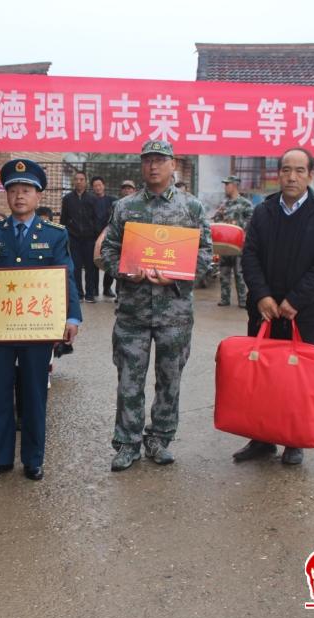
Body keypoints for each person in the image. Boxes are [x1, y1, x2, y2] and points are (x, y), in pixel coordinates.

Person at [0, 159, 82, 482]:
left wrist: (72, 316)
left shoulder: (54, 235)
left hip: (37, 328)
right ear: (6, 195)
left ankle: (33, 459)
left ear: (38, 196)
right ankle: (0, 458)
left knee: (35, 394)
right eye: (13, 190)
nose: (19, 196)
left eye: (26, 190)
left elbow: (66, 278)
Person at [100, 140, 212, 472]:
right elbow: (108, 249)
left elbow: (205, 253)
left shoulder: (191, 208)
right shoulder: (125, 207)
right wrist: (126, 271)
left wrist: (176, 276)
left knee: (170, 379)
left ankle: (160, 438)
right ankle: (127, 443)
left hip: (174, 312)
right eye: (147, 160)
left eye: (160, 160)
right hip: (133, 312)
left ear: (172, 164)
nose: (153, 166)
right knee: (129, 380)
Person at [233, 147, 314, 466]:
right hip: (264, 311)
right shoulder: (263, 211)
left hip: (302, 314)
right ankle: (261, 438)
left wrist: (296, 300)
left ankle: (294, 440)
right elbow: (250, 256)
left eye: (299, 170)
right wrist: (262, 295)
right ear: (278, 174)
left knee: (297, 379)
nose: (291, 177)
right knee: (263, 377)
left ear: (310, 175)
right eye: (285, 170)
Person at [213, 176, 254, 308]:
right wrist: (219, 216)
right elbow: (217, 219)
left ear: (235, 185)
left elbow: (252, 221)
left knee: (239, 272)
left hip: (238, 244)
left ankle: (242, 300)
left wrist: (239, 226)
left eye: (227, 184)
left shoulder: (245, 204)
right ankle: (225, 299)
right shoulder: (224, 203)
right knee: (224, 271)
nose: (225, 187)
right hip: (225, 244)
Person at [60, 171, 99, 302]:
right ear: (73, 181)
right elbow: (63, 219)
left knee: (90, 267)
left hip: (89, 238)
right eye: (76, 179)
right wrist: (65, 235)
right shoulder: (67, 199)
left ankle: (90, 294)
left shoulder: (92, 199)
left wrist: (96, 235)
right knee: (75, 267)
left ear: (86, 181)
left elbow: (96, 218)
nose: (79, 181)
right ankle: (78, 294)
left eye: (81, 179)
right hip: (74, 238)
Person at [90, 176, 117, 299]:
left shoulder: (112, 201)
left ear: (103, 186)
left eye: (99, 185)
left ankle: (107, 288)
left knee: (109, 262)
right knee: (93, 263)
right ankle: (94, 289)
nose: (98, 188)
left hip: (108, 236)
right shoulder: (90, 201)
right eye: (95, 186)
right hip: (92, 236)